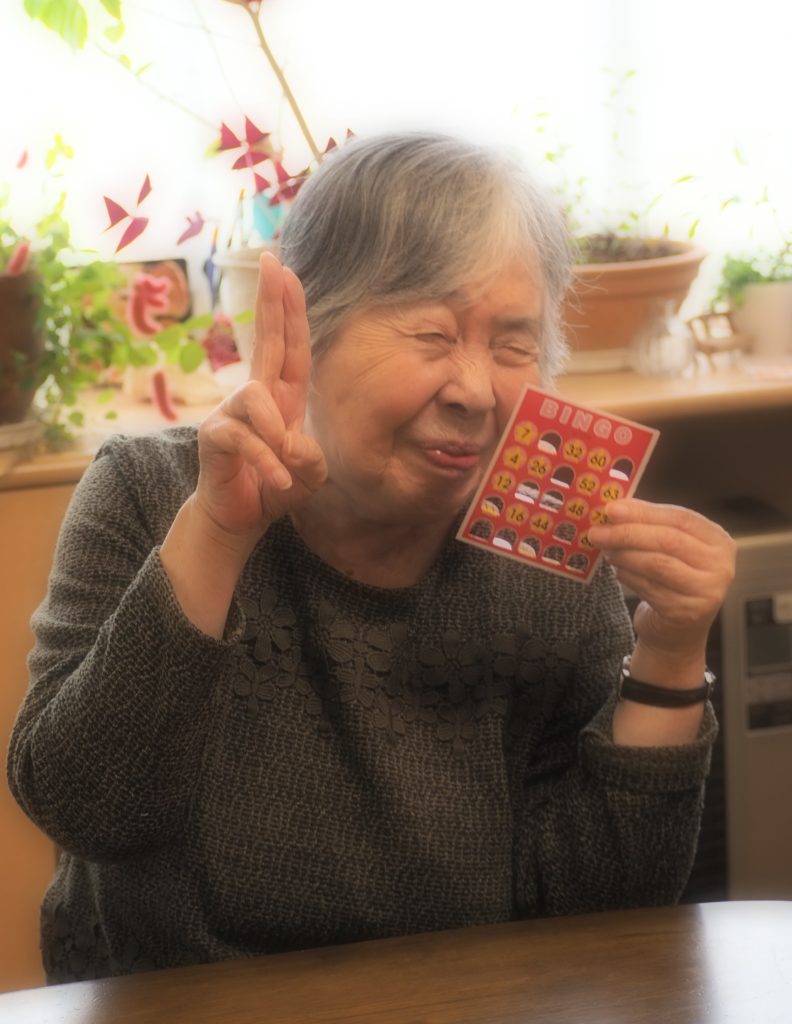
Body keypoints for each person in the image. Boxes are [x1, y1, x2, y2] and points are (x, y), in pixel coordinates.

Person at [8, 132, 735, 984]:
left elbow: (605, 910)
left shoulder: (545, 560)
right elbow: (87, 808)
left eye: (513, 346)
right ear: (304, 329)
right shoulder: (149, 492)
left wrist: (670, 653)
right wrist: (219, 530)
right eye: (431, 334)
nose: (474, 391)